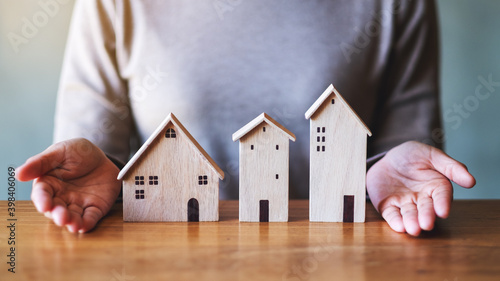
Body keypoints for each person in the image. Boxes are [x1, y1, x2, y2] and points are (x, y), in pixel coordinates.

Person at [16, 0, 475, 235]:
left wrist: (390, 169)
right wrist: (106, 172)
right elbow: (99, 159)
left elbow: (397, 156)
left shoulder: (398, 5)